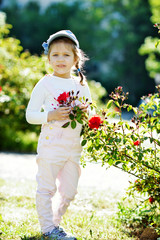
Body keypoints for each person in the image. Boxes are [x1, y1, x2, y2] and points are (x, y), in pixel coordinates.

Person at [26, 30, 93, 240]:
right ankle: (48, 229)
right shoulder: (45, 84)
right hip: (50, 146)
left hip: (73, 147)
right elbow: (30, 115)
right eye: (55, 54)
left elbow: (90, 112)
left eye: (66, 55)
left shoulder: (80, 85)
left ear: (76, 59)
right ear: (48, 58)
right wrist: (51, 115)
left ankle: (55, 222)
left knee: (70, 191)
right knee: (46, 188)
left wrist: (86, 113)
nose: (60, 59)